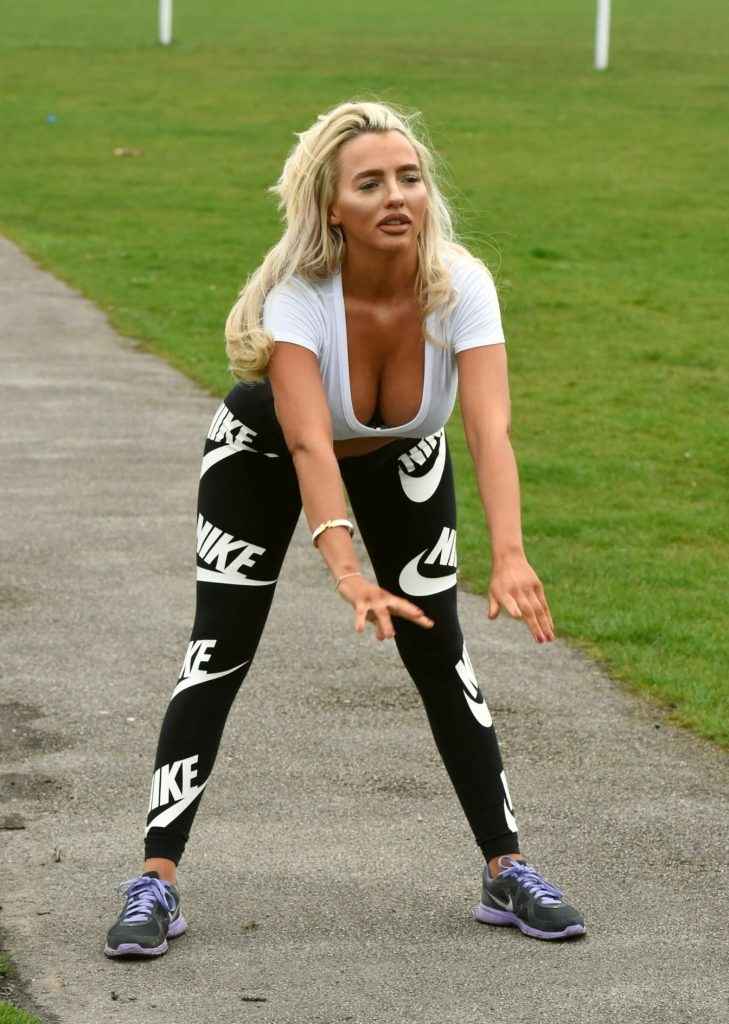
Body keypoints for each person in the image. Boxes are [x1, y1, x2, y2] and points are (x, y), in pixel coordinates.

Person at [104, 98, 586, 958]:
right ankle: (156, 880)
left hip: (403, 453)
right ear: (331, 207)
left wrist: (510, 555)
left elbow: (489, 432)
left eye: (409, 177)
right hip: (262, 449)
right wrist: (346, 570)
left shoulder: (461, 286)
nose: (396, 196)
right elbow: (304, 443)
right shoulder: (299, 297)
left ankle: (506, 868)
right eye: (370, 184)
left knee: (440, 650)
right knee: (218, 650)